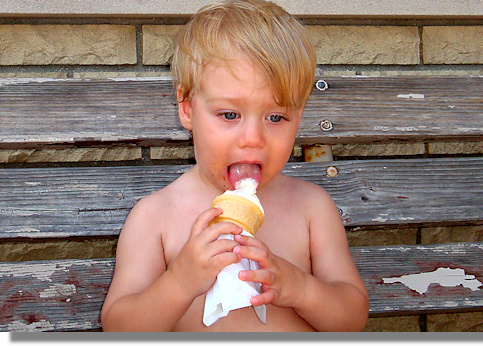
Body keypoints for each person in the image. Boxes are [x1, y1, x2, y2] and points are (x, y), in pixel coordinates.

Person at [101, 0, 369, 332]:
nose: (253, 138)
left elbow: (352, 318)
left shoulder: (311, 208)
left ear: (298, 118)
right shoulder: (156, 216)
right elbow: (119, 328)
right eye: (230, 115)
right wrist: (179, 283)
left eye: (276, 117)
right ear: (187, 109)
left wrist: (302, 289)